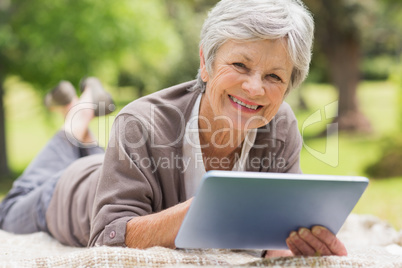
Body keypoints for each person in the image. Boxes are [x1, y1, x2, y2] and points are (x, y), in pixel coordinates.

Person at [0, 0, 347, 258]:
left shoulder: (281, 126)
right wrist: (206, 209)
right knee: (8, 212)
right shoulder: (140, 122)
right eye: (240, 65)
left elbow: (276, 235)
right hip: (67, 192)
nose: (255, 88)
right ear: (205, 64)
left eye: (274, 76)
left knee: (95, 152)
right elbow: (106, 238)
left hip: (114, 167)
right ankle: (79, 116)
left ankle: (83, 126)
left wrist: (299, 245)